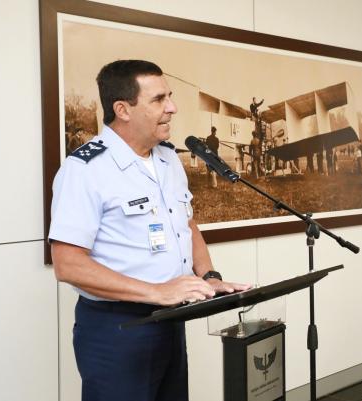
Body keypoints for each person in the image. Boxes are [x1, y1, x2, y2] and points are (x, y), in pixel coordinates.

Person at [48, 60, 250, 401]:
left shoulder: (169, 160)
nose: (172, 108)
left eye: (169, 97)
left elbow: (187, 224)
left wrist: (210, 277)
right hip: (117, 329)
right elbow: (68, 264)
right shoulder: (84, 170)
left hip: (171, 319)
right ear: (122, 109)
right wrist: (155, 291)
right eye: (159, 99)